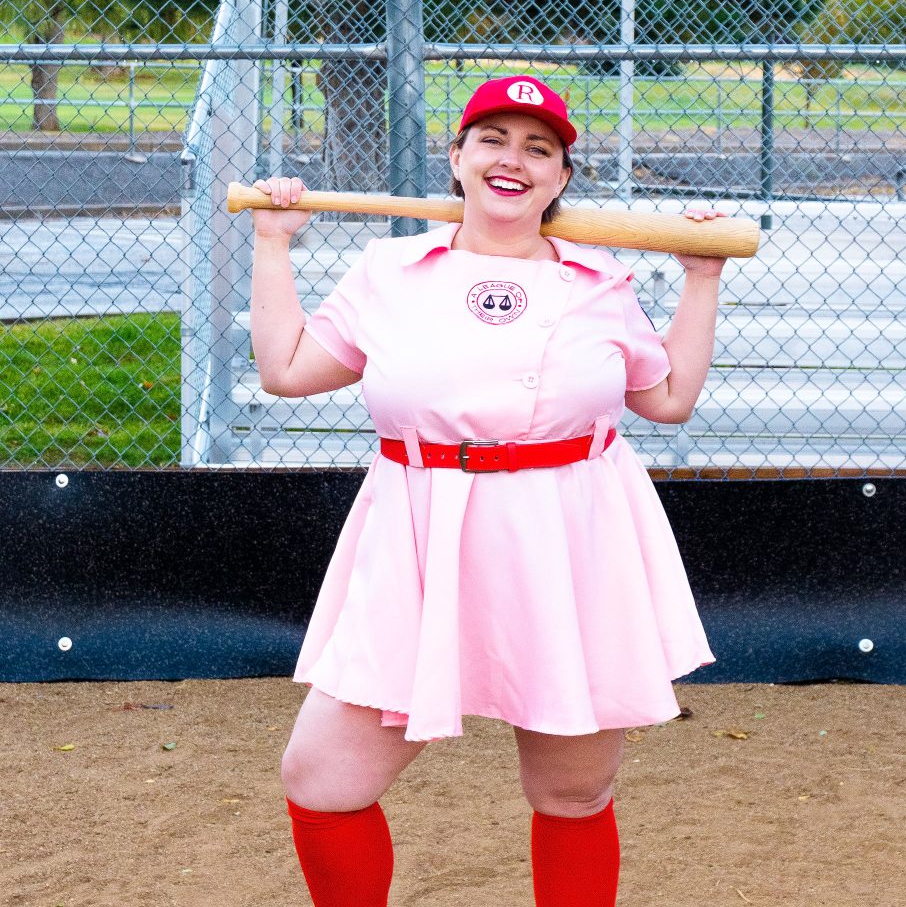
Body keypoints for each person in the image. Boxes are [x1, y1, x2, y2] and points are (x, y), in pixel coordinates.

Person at [248, 74, 726, 907]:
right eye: (494, 141)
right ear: (458, 158)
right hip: (420, 537)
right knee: (321, 776)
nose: (515, 160)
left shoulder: (598, 281)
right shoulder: (389, 271)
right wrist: (275, 243)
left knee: (572, 794)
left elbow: (670, 399)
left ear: (562, 179)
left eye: (540, 149)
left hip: (568, 540)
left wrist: (701, 276)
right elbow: (286, 370)